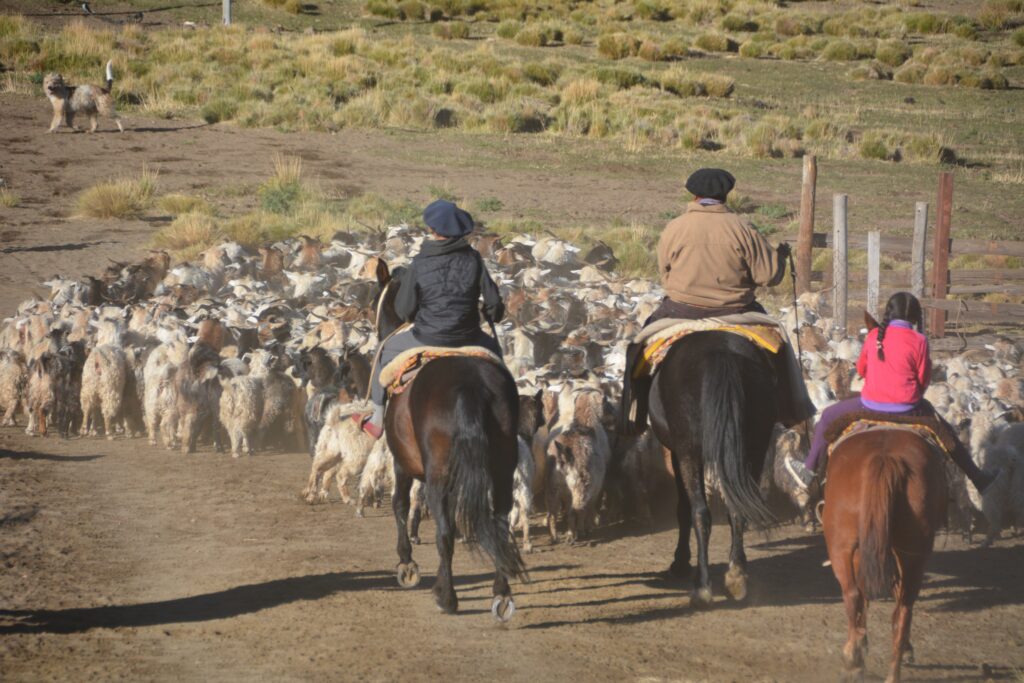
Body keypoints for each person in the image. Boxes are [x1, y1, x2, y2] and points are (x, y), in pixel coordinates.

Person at [621, 167, 815, 431]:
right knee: (780, 345)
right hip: (737, 311)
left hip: (680, 311)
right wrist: (779, 257)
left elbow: (664, 271)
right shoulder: (743, 229)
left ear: (693, 195)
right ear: (727, 195)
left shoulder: (674, 227)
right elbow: (768, 276)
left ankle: (632, 417)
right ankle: (793, 415)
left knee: (637, 348)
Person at [788, 291, 1000, 494]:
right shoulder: (920, 341)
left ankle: (809, 471)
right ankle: (978, 479)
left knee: (827, 417)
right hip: (910, 408)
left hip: (870, 405)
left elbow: (861, 370)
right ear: (915, 317)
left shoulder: (873, 337)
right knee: (947, 433)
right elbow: (924, 380)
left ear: (889, 313)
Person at [354, 199, 505, 439]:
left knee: (384, 351)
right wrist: (493, 314)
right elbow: (494, 304)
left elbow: (404, 310)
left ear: (433, 230)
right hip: (469, 336)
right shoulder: (474, 259)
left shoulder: (421, 261)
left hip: (426, 336)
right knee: (500, 365)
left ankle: (377, 417)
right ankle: (508, 420)